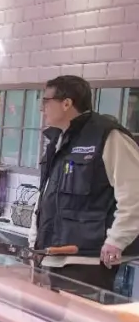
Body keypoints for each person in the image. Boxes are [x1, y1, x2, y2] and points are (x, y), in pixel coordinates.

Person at [30, 75, 139, 292]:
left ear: (66, 103)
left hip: (86, 259)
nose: (42, 109)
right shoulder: (59, 139)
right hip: (51, 255)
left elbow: (134, 192)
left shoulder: (108, 136)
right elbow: (46, 195)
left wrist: (117, 240)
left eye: (45, 101)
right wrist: (34, 240)